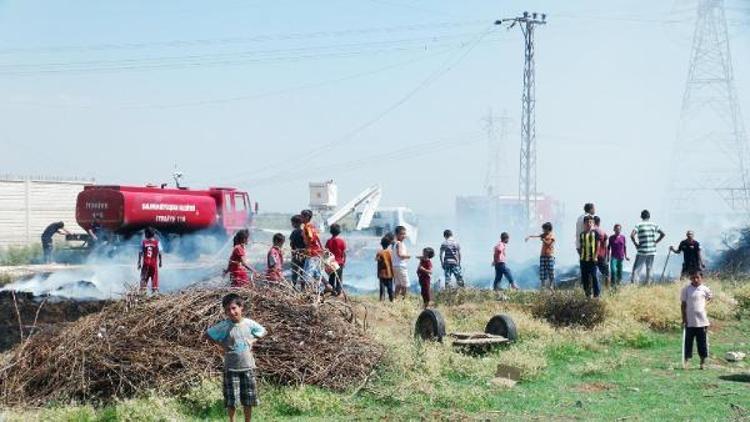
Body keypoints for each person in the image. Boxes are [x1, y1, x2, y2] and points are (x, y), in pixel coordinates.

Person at [205, 293, 267, 422]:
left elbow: (263, 331)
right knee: (231, 400)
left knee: (248, 399)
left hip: (248, 366)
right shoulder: (225, 326)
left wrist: (252, 341)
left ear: (241, 307)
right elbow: (209, 335)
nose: (231, 312)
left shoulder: (249, 324)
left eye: (234, 308)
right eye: (228, 310)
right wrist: (222, 346)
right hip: (231, 368)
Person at [681, 272, 712, 370]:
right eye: (693, 278)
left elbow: (710, 298)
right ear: (690, 278)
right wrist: (684, 319)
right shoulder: (686, 289)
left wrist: (704, 308)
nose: (695, 280)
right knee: (688, 342)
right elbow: (683, 305)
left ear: (701, 278)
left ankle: (702, 363)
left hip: (702, 321)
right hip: (690, 321)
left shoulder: (705, 289)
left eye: (697, 277)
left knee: (702, 343)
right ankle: (686, 361)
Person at [630, 209, 666, 285]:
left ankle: (634, 285)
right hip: (652, 250)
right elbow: (663, 234)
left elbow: (632, 235)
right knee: (649, 267)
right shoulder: (654, 225)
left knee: (637, 269)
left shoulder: (639, 225)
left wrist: (636, 244)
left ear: (641, 216)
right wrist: (655, 242)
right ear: (649, 216)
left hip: (642, 250)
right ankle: (648, 284)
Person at [525, 222, 555, 290]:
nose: (543, 230)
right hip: (543, 255)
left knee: (550, 270)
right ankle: (543, 285)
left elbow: (549, 244)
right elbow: (536, 236)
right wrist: (529, 237)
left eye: (544, 229)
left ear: (548, 229)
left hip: (549, 255)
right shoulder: (543, 235)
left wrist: (543, 240)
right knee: (542, 271)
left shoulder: (551, 236)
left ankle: (551, 285)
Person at [578, 216, 600, 298]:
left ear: (593, 223)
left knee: (594, 277)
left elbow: (598, 245)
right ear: (584, 223)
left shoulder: (595, 233)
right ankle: (588, 295)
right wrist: (581, 256)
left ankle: (596, 295)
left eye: (591, 222)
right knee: (585, 278)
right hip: (583, 260)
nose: (589, 224)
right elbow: (581, 246)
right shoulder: (582, 234)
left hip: (592, 260)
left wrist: (596, 256)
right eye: (587, 222)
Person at [300, 209, 324, 286]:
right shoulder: (312, 226)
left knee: (308, 272)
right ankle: (323, 287)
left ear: (307, 217)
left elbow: (310, 237)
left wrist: (308, 247)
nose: (301, 218)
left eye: (302, 216)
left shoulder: (307, 227)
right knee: (316, 272)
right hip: (316, 252)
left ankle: (309, 290)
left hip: (312, 252)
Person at [138, 227, 162, 293]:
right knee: (154, 280)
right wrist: (160, 262)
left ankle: (142, 293)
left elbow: (140, 252)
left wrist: (139, 262)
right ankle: (154, 293)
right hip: (154, 264)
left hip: (145, 264)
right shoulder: (157, 242)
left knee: (144, 279)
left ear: (146, 234)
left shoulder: (144, 242)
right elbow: (160, 253)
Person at [325, 223, 347, 296]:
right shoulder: (341, 241)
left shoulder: (328, 241)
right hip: (339, 262)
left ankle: (332, 291)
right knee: (339, 278)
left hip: (331, 262)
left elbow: (326, 252)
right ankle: (339, 292)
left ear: (331, 231)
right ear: (339, 231)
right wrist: (344, 262)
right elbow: (344, 253)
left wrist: (325, 262)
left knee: (331, 278)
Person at [391, 226, 411, 299]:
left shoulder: (394, 243)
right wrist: (407, 256)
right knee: (405, 285)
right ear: (397, 235)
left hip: (395, 266)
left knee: (398, 285)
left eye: (404, 234)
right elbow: (400, 254)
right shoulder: (399, 244)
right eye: (402, 234)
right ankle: (403, 301)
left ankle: (394, 300)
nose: (404, 236)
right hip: (400, 266)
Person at [288, 215, 306, 289]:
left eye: (293, 223)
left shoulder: (295, 232)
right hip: (304, 255)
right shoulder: (304, 231)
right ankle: (303, 288)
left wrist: (293, 252)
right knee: (302, 272)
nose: (292, 225)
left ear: (297, 223)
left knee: (295, 272)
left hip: (295, 255)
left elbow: (291, 244)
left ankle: (294, 287)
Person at [376, 235, 395, 302]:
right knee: (390, 288)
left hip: (382, 273)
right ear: (389, 244)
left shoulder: (379, 252)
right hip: (389, 273)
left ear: (381, 244)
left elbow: (377, 259)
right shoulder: (391, 252)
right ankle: (391, 300)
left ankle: (382, 300)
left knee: (382, 288)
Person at [593, 216, 610, 289]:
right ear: (599, 222)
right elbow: (606, 246)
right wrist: (607, 256)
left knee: (592, 273)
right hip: (602, 256)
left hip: (593, 256)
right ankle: (607, 289)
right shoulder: (603, 232)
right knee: (606, 274)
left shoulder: (592, 231)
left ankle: (593, 290)